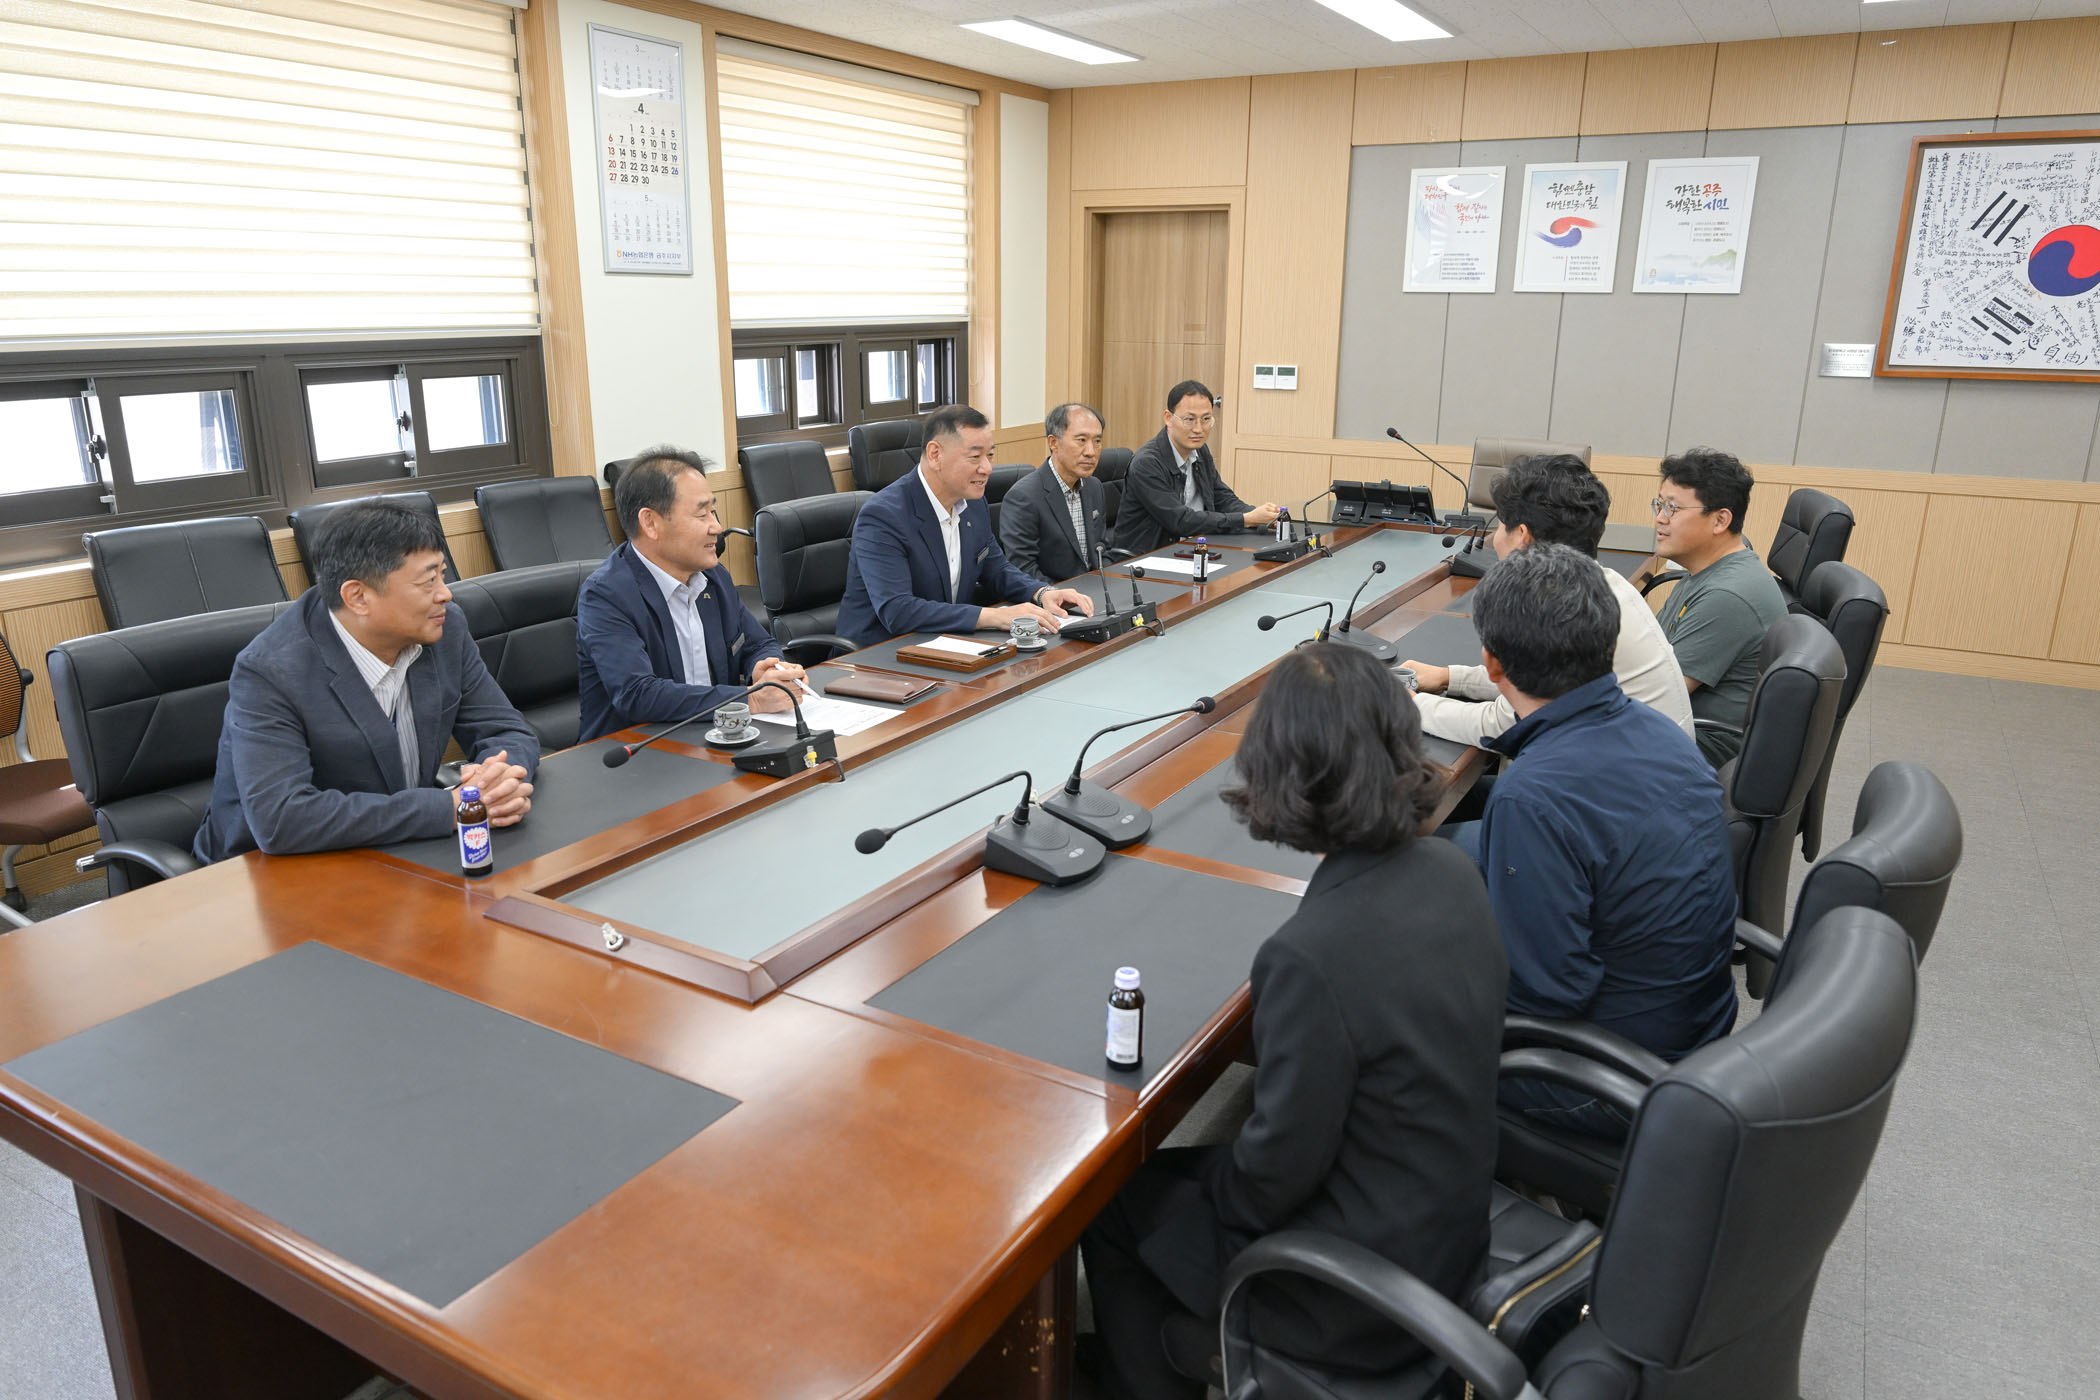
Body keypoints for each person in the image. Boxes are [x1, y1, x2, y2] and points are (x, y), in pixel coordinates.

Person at [1078, 643, 1506, 1400]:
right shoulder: (1453, 870)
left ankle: (1152, 1370)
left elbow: (1272, 1177)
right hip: (1449, 1230)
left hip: (1355, 1295)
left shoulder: (1309, 957)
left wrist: (1210, 1205)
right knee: (1180, 1182)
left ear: (1281, 772)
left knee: (1111, 1202)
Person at [1466, 544, 1738, 1139]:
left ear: (1492, 664)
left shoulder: (1532, 796)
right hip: (1700, 1035)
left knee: (1383, 1006)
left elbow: (1546, 997)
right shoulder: (1661, 733)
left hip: (1608, 1078)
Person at [195, 500, 538, 863]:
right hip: (266, 869)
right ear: (357, 597)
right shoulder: (271, 671)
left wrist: (496, 780)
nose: (445, 593)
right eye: (428, 581)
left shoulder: (445, 628)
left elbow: (506, 730)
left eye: (442, 574)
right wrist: (445, 809)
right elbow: (281, 818)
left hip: (396, 851)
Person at [1403, 454, 1693, 746]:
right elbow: (1532, 683)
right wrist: (1449, 677)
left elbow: (1503, 726)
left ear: (1522, 536)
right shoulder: (1603, 585)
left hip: (1613, 771)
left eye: (1500, 526)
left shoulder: (1559, 610)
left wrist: (1409, 705)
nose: (1494, 540)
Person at [577, 446, 803, 743]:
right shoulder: (606, 595)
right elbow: (637, 694)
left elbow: (757, 644)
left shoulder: (714, 577)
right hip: (636, 752)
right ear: (651, 523)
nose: (717, 527)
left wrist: (769, 669)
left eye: (713, 511)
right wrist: (751, 699)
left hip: (714, 738)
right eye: (702, 514)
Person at [835, 404, 1094, 648]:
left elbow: (997, 569)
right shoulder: (883, 516)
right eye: (975, 457)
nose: (987, 468)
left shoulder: (973, 504)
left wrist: (1041, 593)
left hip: (944, 643)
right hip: (876, 654)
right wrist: (994, 617)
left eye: (990, 455)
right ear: (935, 454)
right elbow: (898, 611)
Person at [1637, 447, 1787, 766]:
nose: (1660, 518)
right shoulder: (1705, 569)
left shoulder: (1727, 595)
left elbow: (1656, 698)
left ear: (1720, 520)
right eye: (1659, 504)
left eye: (1673, 508)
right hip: (1681, 727)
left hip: (1698, 749)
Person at [1108, 380, 1281, 556]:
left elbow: (1222, 498)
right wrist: (1246, 519)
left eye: (1206, 419)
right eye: (1189, 420)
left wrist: (1261, 515)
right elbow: (1180, 520)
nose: (1198, 429)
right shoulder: (1147, 463)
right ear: (1168, 418)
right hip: (1147, 557)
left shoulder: (1200, 451)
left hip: (1192, 547)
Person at [998, 401, 1112, 583]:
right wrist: (1062, 595)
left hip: (1094, 588)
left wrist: (1110, 580)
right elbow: (1023, 569)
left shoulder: (1094, 486)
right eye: (1081, 440)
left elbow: (1101, 548)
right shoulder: (1023, 497)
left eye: (1097, 441)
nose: (1091, 452)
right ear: (1053, 443)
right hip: (1054, 593)